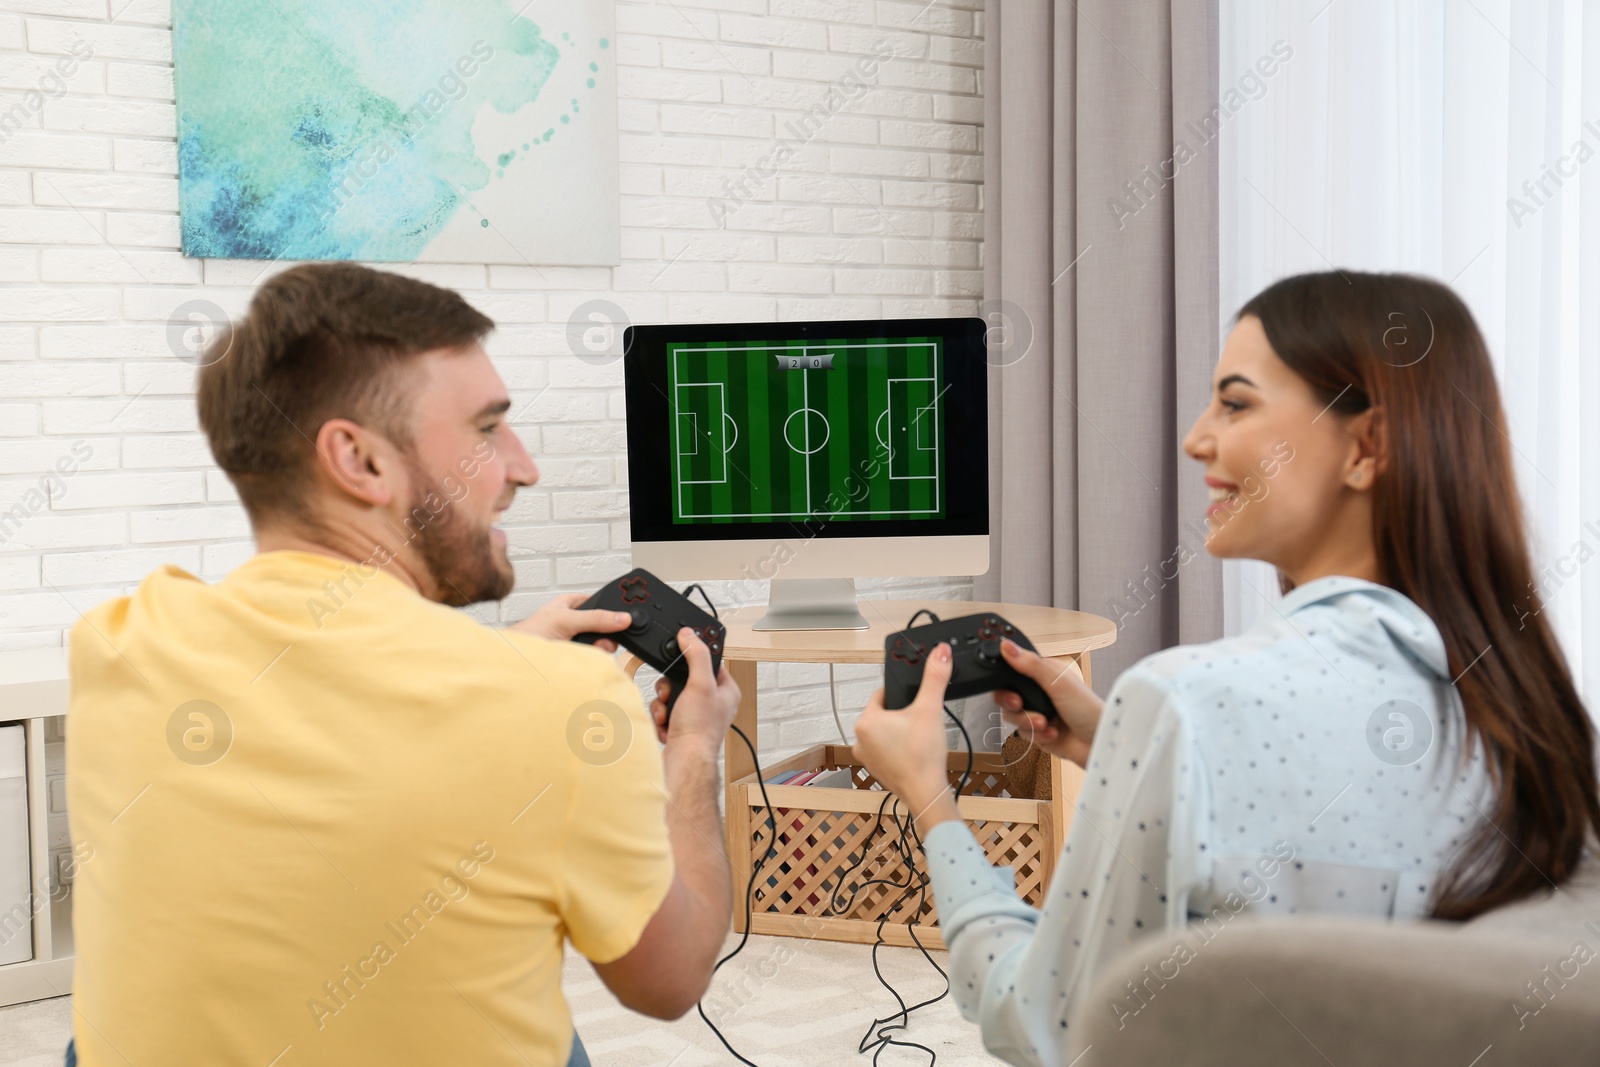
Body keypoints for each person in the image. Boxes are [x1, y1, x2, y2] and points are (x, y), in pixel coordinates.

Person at [852, 270, 1600, 1067]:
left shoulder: (1183, 700)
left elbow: (1041, 1022)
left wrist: (931, 801)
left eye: (1236, 402)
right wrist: (1123, 744)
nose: (1196, 438)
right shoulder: (1532, 717)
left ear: (1366, 445)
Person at [64, 263, 740, 1066]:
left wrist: (499, 661)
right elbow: (669, 982)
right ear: (360, 461)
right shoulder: (564, 702)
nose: (524, 467)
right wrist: (694, 750)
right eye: (488, 429)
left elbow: (312, 683)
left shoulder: (119, 639)